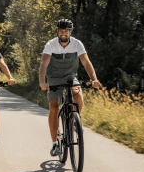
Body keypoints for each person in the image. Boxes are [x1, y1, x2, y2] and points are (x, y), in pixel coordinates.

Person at [39, 19, 100, 156]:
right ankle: (55, 144)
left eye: (66, 30)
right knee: (54, 108)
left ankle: (74, 120)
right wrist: (42, 82)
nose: (63, 33)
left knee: (78, 96)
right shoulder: (51, 45)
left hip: (70, 77)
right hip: (54, 78)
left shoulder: (77, 44)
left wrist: (94, 79)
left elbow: (86, 62)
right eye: (61, 30)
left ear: (70, 32)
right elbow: (43, 64)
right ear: (58, 31)